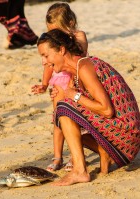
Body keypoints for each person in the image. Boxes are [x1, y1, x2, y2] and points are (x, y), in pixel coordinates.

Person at [36, 29, 140, 186]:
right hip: (123, 139)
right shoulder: (77, 70)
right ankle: (103, 152)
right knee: (62, 112)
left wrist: (74, 96)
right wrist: (67, 94)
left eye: (46, 56)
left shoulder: (85, 67)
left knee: (64, 108)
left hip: (127, 135)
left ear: (61, 49)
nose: (44, 62)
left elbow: (107, 110)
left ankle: (80, 171)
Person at [31, 2, 88, 172]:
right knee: (58, 122)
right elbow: (48, 65)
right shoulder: (52, 43)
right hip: (58, 83)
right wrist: (44, 84)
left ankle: (74, 156)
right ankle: (57, 156)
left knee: (75, 121)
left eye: (57, 32)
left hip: (74, 82)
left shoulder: (78, 36)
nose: (53, 36)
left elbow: (81, 55)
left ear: (70, 24)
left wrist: (68, 38)